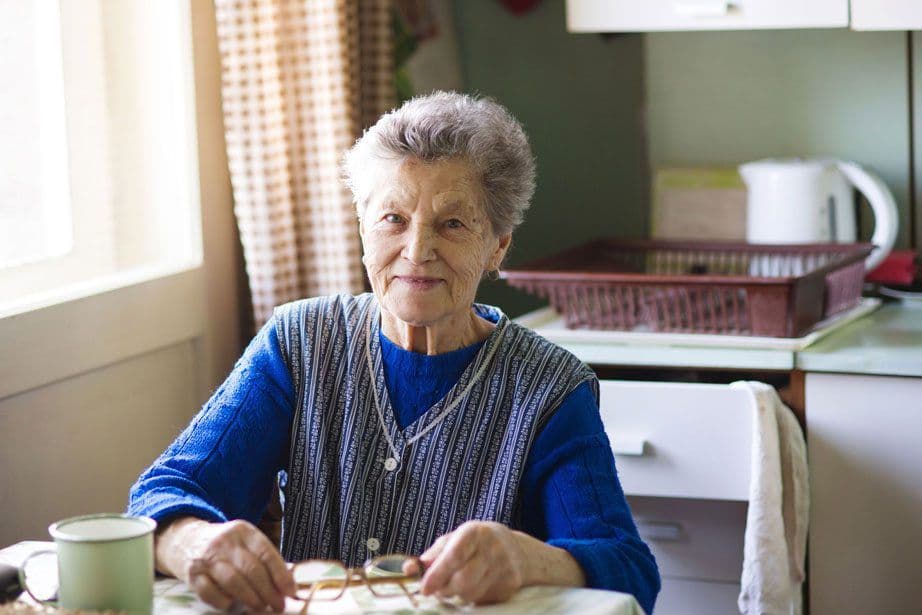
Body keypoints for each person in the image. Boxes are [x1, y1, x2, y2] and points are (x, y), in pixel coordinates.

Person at [128, 91, 660, 613]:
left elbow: (629, 571)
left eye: (452, 224)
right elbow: (162, 493)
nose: (417, 250)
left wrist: (527, 559)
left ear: (498, 245)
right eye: (393, 219)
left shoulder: (548, 388)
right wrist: (192, 542)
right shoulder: (299, 343)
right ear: (362, 228)